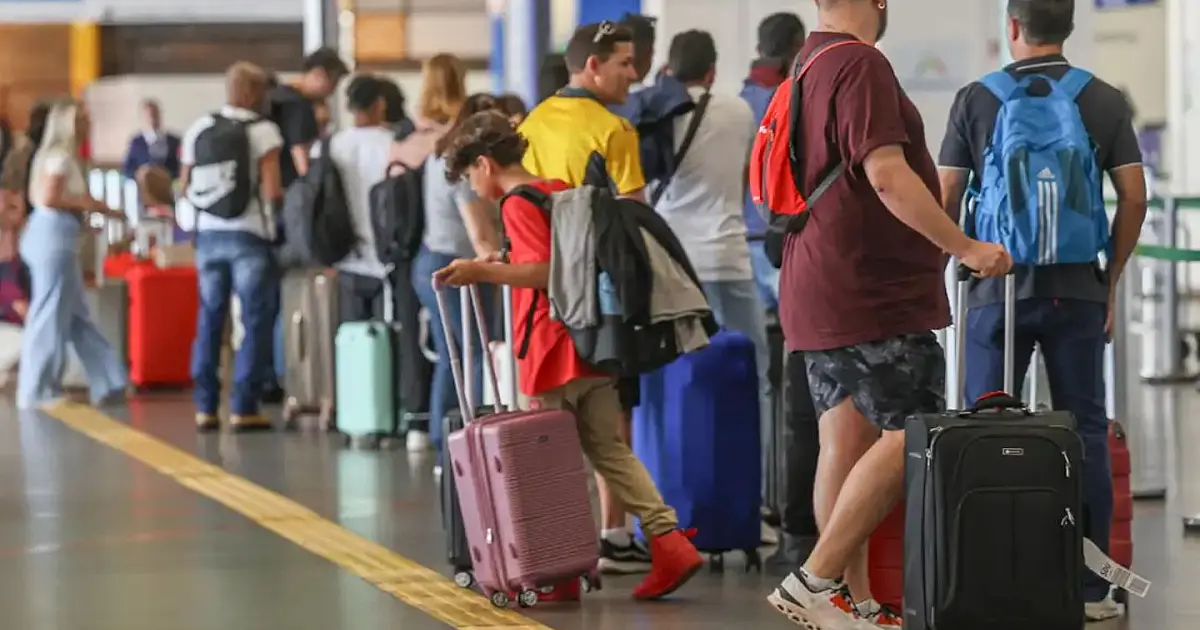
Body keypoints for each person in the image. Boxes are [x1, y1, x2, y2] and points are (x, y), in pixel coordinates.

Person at [761, 1, 1012, 629]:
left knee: (843, 444)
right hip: (868, 288)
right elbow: (887, 175)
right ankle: (816, 580)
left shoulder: (807, 63)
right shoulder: (861, 64)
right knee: (914, 431)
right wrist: (965, 246)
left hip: (815, 282)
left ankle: (852, 603)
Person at [434, 109, 704, 602]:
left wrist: (482, 271)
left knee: (545, 462)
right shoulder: (556, 189)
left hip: (549, 349)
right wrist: (503, 260)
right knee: (610, 450)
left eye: (471, 175)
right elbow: (559, 261)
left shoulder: (518, 203)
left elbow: (542, 271)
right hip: (590, 345)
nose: (473, 187)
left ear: (485, 164)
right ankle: (669, 540)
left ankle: (556, 572)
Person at [937, 0, 1148, 621]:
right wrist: (1112, 275)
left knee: (985, 430)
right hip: (1077, 288)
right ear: (1069, 27)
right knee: (1085, 431)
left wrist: (954, 263)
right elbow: (1134, 196)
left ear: (1012, 26)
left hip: (993, 287)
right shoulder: (1103, 99)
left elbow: (946, 194)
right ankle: (1091, 589)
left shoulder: (977, 98)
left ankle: (987, 576)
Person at [517, 21, 649, 574]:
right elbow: (636, 216)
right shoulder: (614, 129)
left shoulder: (531, 123)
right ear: (592, 66)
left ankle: (552, 538)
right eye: (625, 63)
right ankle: (614, 533)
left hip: (541, 290)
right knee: (612, 412)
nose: (634, 74)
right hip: (602, 294)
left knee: (550, 414)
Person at [653, 29, 776, 544]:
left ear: (669, 68)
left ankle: (673, 505)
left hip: (671, 268)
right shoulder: (738, 112)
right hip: (728, 262)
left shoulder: (656, 113)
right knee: (756, 381)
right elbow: (747, 181)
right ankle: (753, 504)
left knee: (675, 386)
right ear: (712, 70)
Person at [182, 61, 285, 432]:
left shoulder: (199, 127)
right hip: (248, 236)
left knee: (210, 317)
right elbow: (272, 190)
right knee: (254, 319)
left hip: (208, 237)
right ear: (253, 92)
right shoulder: (264, 131)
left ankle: (205, 407)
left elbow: (185, 186)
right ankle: (244, 406)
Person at [16, 100, 129, 410]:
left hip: (59, 237)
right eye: (82, 119)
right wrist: (86, 206)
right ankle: (37, 388)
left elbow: (68, 200)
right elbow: (49, 198)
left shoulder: (66, 159)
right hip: (52, 240)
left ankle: (109, 380)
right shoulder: (60, 158)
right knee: (48, 313)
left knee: (78, 315)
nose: (88, 124)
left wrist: (94, 213)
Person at [413, 93, 504, 471]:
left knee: (451, 356)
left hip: (429, 259)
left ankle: (444, 447)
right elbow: (479, 234)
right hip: (457, 266)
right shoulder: (465, 166)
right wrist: (506, 266)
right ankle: (471, 445)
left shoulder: (438, 155)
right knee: (477, 354)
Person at [390, 53, 470, 453]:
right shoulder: (456, 137)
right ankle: (455, 434)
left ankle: (427, 428)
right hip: (451, 251)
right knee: (467, 351)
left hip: (411, 252)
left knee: (440, 349)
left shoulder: (406, 141)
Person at [263, 46, 349, 403]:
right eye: (333, 83)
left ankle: (271, 375)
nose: (331, 92)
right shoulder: (298, 107)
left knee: (271, 297)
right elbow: (304, 165)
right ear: (320, 75)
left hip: (266, 210)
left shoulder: (274, 98)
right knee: (296, 293)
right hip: (292, 210)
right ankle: (293, 376)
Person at [741, 12, 807, 313]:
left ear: (759, 49)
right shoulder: (797, 100)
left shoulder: (739, 102)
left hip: (743, 239)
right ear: (799, 46)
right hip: (785, 237)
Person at [330, 75, 399, 323]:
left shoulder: (335, 145)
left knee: (352, 336)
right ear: (380, 104)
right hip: (386, 256)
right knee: (386, 335)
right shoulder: (392, 144)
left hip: (346, 253)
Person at [121, 99, 182, 180]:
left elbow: (181, 167)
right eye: (148, 116)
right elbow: (128, 169)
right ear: (142, 118)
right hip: (144, 186)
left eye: (154, 115)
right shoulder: (136, 143)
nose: (151, 119)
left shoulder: (174, 141)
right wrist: (142, 174)